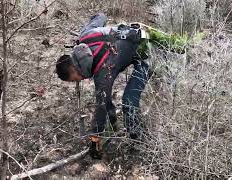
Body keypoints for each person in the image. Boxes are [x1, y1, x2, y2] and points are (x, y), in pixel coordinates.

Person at [56, 13, 165, 159]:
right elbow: (99, 16)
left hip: (150, 52)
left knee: (129, 101)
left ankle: (138, 140)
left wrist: (95, 138)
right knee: (106, 97)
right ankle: (114, 124)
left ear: (75, 69)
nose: (77, 81)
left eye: (73, 79)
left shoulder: (103, 71)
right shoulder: (85, 36)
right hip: (134, 41)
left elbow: (101, 106)